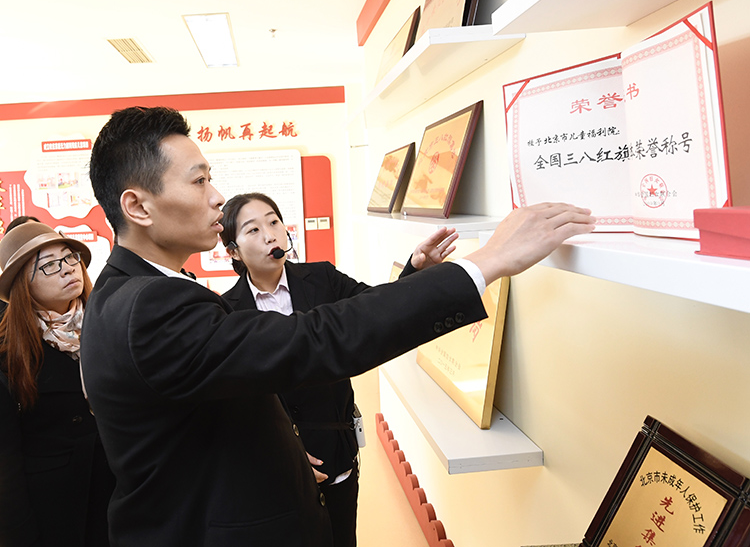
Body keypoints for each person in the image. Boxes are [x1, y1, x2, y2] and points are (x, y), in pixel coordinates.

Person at [81, 105, 595, 547]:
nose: (217, 197)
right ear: (137, 206)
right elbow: (314, 339)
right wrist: (485, 263)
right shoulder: (148, 307)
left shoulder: (139, 293)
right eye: (199, 181)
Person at [219, 192, 458, 547]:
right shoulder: (226, 310)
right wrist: (284, 452)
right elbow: (237, 402)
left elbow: (377, 311)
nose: (270, 235)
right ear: (233, 251)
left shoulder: (322, 278)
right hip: (275, 466)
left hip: (334, 453)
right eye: (253, 230)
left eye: (273, 222)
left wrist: (416, 272)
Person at [0, 221, 115, 546]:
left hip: (117, 492)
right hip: (54, 509)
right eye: (49, 265)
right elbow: (6, 461)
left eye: (69, 257)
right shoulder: (9, 351)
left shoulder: (108, 323)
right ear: (22, 283)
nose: (67, 269)